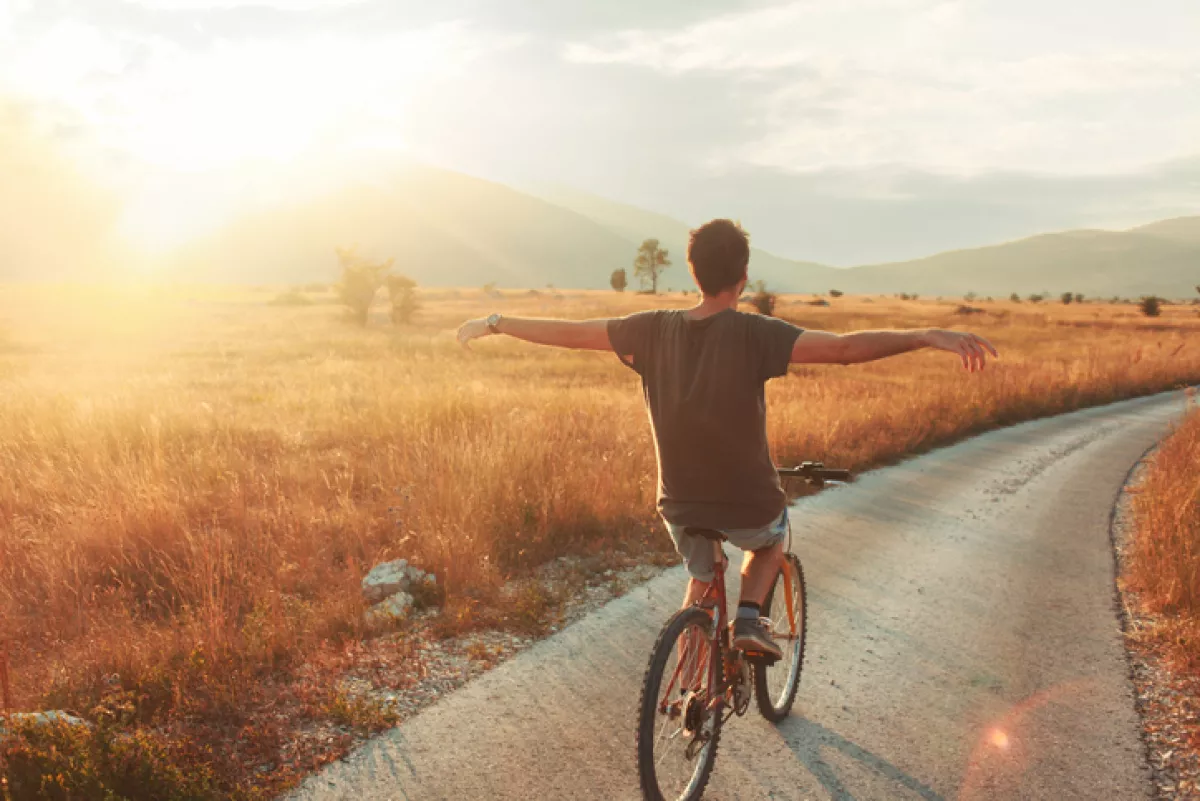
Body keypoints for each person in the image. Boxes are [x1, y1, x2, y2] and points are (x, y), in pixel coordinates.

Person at [456, 219, 997, 659]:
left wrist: (497, 322)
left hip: (679, 502)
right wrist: (926, 335)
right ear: (741, 277)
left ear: (693, 273)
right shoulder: (756, 332)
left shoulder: (648, 328)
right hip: (746, 497)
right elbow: (843, 348)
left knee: (701, 572)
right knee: (770, 537)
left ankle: (690, 690)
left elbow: (570, 335)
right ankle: (748, 619)